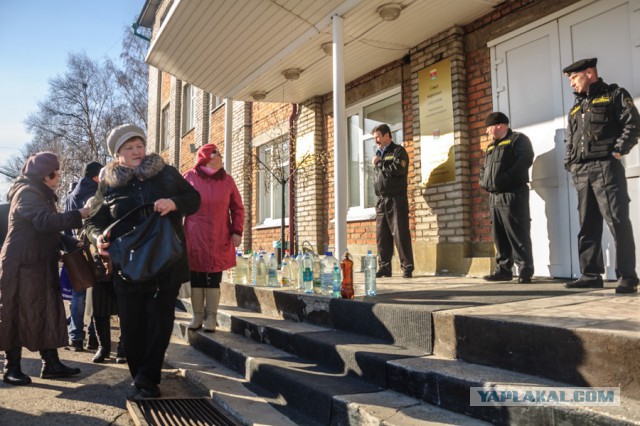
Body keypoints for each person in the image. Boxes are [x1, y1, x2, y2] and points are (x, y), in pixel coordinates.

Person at [84, 124, 200, 399]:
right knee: (132, 326)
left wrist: (173, 202)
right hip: (128, 266)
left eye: (139, 145)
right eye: (129, 148)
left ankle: (148, 379)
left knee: (159, 323)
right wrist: (98, 237)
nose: (136, 151)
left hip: (165, 262)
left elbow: (194, 199)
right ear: (117, 154)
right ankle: (139, 373)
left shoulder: (165, 173)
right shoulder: (109, 184)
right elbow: (92, 221)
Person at [0, 152, 89, 386]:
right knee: (18, 312)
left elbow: (45, 228)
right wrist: (78, 215)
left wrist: (69, 242)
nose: (59, 176)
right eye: (55, 171)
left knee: (47, 310)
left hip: (37, 262)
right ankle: (12, 367)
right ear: (43, 175)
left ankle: (51, 364)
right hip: (22, 264)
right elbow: (44, 222)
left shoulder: (40, 193)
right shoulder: (27, 193)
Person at [562, 58, 640, 294]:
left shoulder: (614, 95)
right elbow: (570, 139)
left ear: (589, 72)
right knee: (587, 223)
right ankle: (590, 274)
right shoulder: (576, 107)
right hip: (582, 171)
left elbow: (633, 123)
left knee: (617, 221)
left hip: (606, 167)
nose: (572, 84)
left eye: (574, 78)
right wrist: (570, 163)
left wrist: (618, 151)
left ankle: (627, 277)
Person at [183, 143, 244, 332]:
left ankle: (211, 318)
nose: (221, 157)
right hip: (195, 234)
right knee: (197, 276)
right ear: (207, 157)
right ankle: (197, 316)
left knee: (213, 277)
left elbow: (238, 208)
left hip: (219, 234)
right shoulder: (189, 177)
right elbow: (177, 202)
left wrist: (236, 231)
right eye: (217, 153)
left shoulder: (227, 180)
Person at [479, 112, 535, 283]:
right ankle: (503, 270)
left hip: (512, 193)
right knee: (499, 235)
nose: (487, 132)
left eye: (488, 128)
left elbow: (525, 160)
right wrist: (484, 182)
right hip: (494, 196)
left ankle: (525, 270)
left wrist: (504, 180)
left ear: (499, 125)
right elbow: (484, 169)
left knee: (517, 232)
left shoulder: (517, 140)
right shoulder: (490, 147)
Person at [65, 162, 103, 352]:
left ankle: (75, 337)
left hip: (75, 247)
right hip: (93, 247)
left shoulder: (71, 196)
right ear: (96, 177)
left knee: (78, 292)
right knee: (95, 294)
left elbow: (66, 222)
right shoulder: (97, 194)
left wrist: (67, 245)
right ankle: (93, 338)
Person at [371, 123, 414, 278]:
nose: (376, 140)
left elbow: (399, 169)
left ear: (387, 135)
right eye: (374, 138)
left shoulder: (398, 151)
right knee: (382, 235)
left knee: (400, 233)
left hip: (396, 198)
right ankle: (384, 267)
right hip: (382, 200)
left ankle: (407, 267)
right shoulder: (379, 153)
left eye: (378, 137)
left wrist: (380, 163)